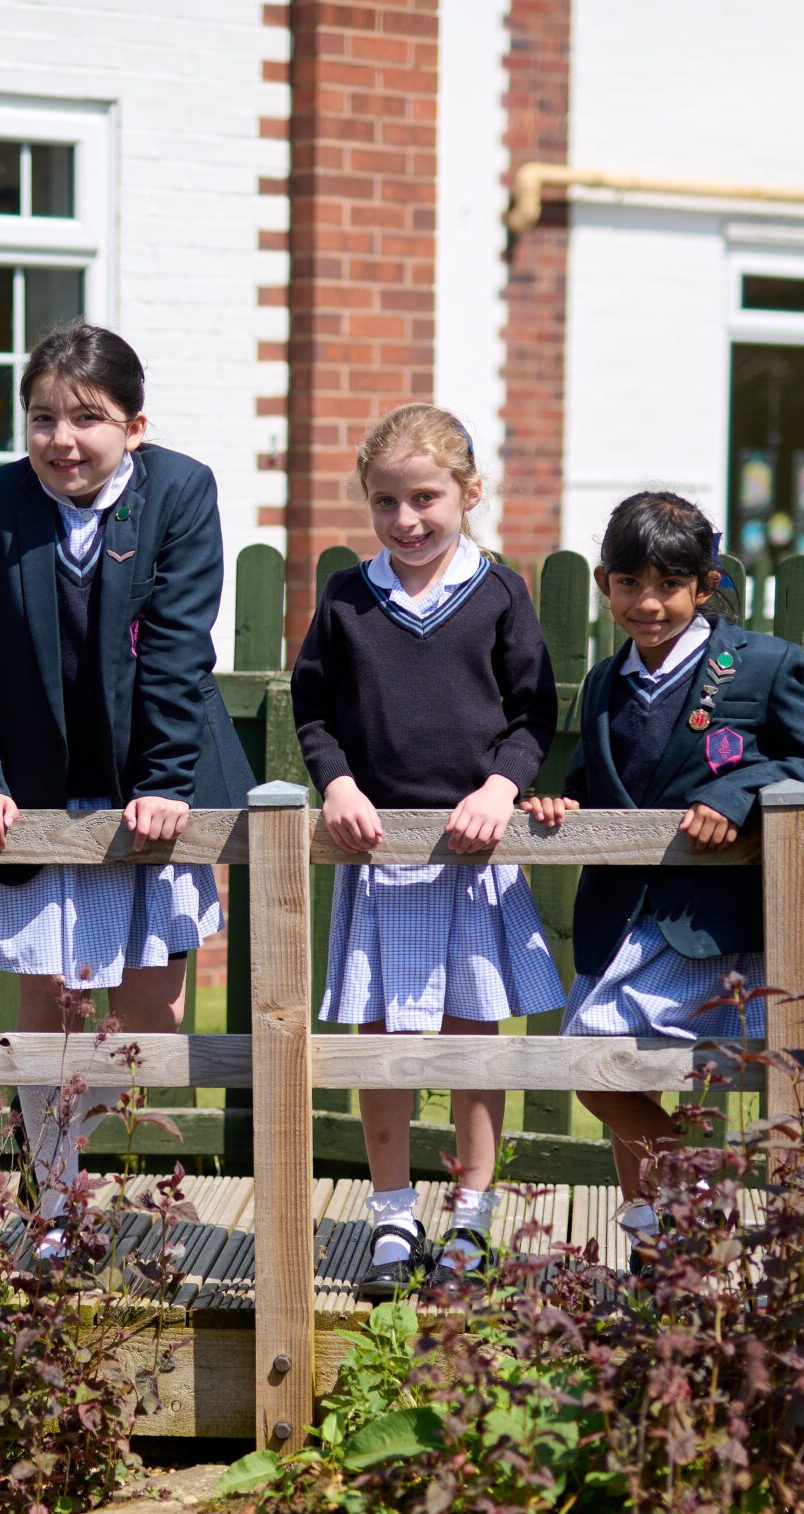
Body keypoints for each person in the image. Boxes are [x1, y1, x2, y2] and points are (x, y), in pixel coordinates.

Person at [0, 324, 255, 1257]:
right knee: (50, 1004)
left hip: (155, 780)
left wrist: (164, 782)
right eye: (43, 418)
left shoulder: (180, 491)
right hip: (31, 787)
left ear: (134, 427)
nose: (62, 439)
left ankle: (70, 1154)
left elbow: (181, 645)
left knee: (153, 1013)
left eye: (88, 419)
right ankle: (56, 1200)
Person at [526, 491, 804, 1263]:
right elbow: (594, 783)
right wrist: (562, 803)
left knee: (627, 1069)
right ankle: (684, 1210)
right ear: (604, 584)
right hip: (620, 919)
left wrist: (735, 796)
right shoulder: (603, 681)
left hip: (708, 924)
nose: (648, 603)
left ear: (706, 585)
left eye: (669, 584)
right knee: (594, 1064)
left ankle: (664, 1238)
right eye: (629, 583)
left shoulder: (759, 663)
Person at [292, 404, 565, 1296]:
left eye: (425, 498)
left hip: (472, 855)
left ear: (469, 493)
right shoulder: (347, 597)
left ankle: (472, 1217)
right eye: (385, 501)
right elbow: (313, 710)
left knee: (472, 1038)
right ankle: (392, 1216)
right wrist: (337, 784)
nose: (405, 519)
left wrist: (501, 788)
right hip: (378, 857)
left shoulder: (500, 594)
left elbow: (533, 713)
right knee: (382, 1041)